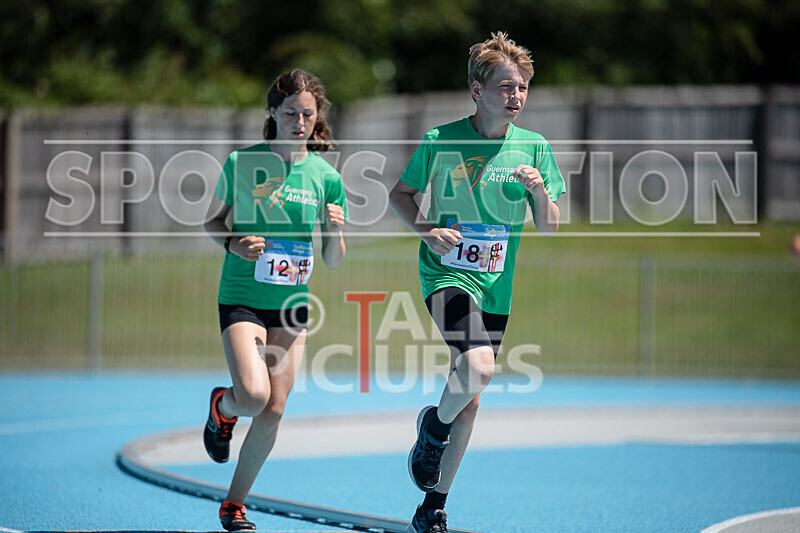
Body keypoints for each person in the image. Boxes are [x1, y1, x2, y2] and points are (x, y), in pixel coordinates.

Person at [389, 32, 565, 532]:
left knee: (471, 399)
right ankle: (433, 427)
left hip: (495, 285)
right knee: (479, 366)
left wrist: (538, 193)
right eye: (506, 86)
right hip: (446, 273)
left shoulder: (534, 149)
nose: (516, 96)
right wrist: (429, 229)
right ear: (476, 90)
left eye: (523, 87)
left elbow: (550, 226)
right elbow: (399, 195)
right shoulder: (441, 142)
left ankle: (433, 507)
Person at [203, 69, 347, 531]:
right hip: (243, 295)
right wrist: (234, 244)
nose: (300, 121)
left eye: (308, 114)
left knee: (275, 409)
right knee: (252, 395)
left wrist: (336, 229)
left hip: (292, 305)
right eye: (290, 113)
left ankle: (234, 504)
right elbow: (213, 222)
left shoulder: (326, 176)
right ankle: (222, 410)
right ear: (273, 114)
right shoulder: (243, 164)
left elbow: (333, 260)